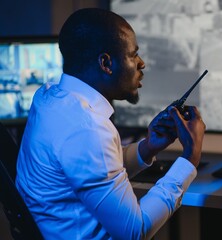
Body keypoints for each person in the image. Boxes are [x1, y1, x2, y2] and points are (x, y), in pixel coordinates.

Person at [15, 8, 206, 240]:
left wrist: (148, 147)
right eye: (133, 55)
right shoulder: (88, 129)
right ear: (106, 63)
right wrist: (190, 159)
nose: (141, 63)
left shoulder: (48, 97)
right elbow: (135, 231)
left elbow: (93, 168)